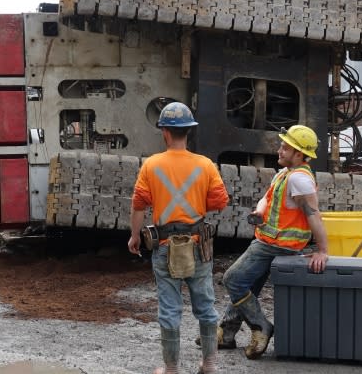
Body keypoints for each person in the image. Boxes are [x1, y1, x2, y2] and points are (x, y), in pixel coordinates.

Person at [127, 102, 229, 374]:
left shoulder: (151, 165)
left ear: (165, 132)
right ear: (189, 132)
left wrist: (135, 236)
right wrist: (193, 203)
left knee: (169, 308)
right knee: (206, 306)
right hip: (198, 245)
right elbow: (220, 202)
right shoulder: (205, 165)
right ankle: (208, 364)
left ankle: (171, 368)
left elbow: (138, 205)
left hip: (164, 246)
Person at [216, 124, 329, 360]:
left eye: (285, 147)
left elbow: (313, 214)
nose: (279, 150)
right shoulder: (285, 173)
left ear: (299, 154)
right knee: (250, 285)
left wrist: (322, 251)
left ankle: (260, 327)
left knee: (233, 280)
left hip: (273, 245)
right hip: (270, 241)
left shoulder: (300, 180)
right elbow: (266, 199)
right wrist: (259, 212)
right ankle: (226, 333)